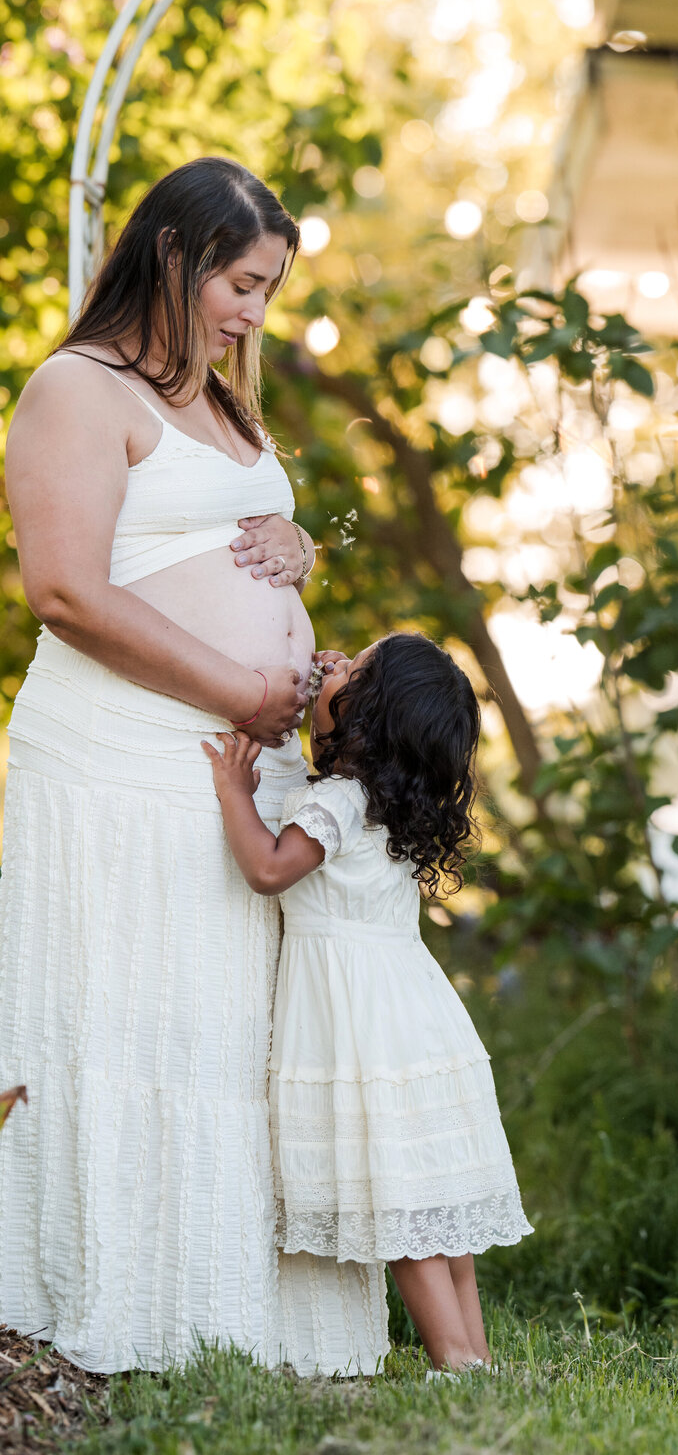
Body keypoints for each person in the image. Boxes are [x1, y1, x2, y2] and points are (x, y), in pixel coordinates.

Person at [0, 157, 389, 1375]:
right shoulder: (77, 388)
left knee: (227, 1038)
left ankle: (230, 1311)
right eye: (240, 283)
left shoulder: (225, 401)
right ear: (171, 256)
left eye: (268, 291)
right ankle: (118, 1294)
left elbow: (230, 551)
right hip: (119, 758)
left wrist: (292, 553)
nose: (253, 314)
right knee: (128, 1017)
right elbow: (66, 588)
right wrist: (239, 690)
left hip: (231, 767)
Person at [202, 632, 533, 1374]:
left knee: (403, 1208)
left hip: (358, 1024)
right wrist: (335, 680)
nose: (335, 666)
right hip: (412, 1012)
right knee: (440, 1212)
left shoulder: (336, 802)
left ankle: (454, 1359)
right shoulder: (390, 804)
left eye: (354, 670)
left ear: (364, 713)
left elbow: (265, 868)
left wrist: (233, 791)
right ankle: (473, 1355)